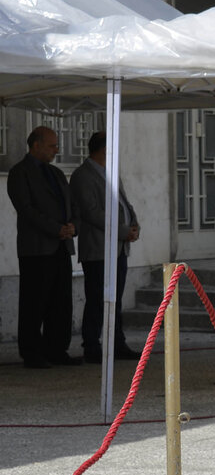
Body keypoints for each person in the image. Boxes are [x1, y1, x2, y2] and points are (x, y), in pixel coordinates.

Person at [6, 126, 81, 368]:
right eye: (52, 145)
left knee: (61, 301)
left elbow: (72, 206)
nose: (56, 150)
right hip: (37, 249)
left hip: (61, 246)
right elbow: (27, 210)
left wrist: (72, 227)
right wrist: (55, 228)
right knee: (35, 301)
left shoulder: (57, 174)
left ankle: (56, 348)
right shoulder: (20, 173)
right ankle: (31, 352)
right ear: (36, 145)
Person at [69, 131, 141, 364]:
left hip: (119, 248)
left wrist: (134, 225)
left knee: (116, 299)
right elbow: (91, 212)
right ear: (102, 150)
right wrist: (122, 230)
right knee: (98, 298)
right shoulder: (83, 176)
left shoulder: (111, 173)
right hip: (98, 249)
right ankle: (92, 345)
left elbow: (124, 203)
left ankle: (116, 343)